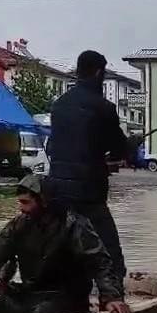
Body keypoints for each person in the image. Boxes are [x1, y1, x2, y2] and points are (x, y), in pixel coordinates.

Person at [0, 173, 130, 313]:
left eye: (26, 202)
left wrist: (111, 297)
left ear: (44, 201)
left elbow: (99, 263)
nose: (21, 208)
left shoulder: (74, 225)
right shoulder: (18, 225)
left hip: (66, 299)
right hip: (29, 294)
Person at [47, 50, 128, 284]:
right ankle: (114, 300)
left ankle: (64, 298)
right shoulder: (103, 108)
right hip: (89, 194)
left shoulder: (59, 105)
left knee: (65, 250)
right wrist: (127, 149)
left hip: (56, 192)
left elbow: (62, 146)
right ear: (99, 73)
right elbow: (118, 150)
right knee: (110, 254)